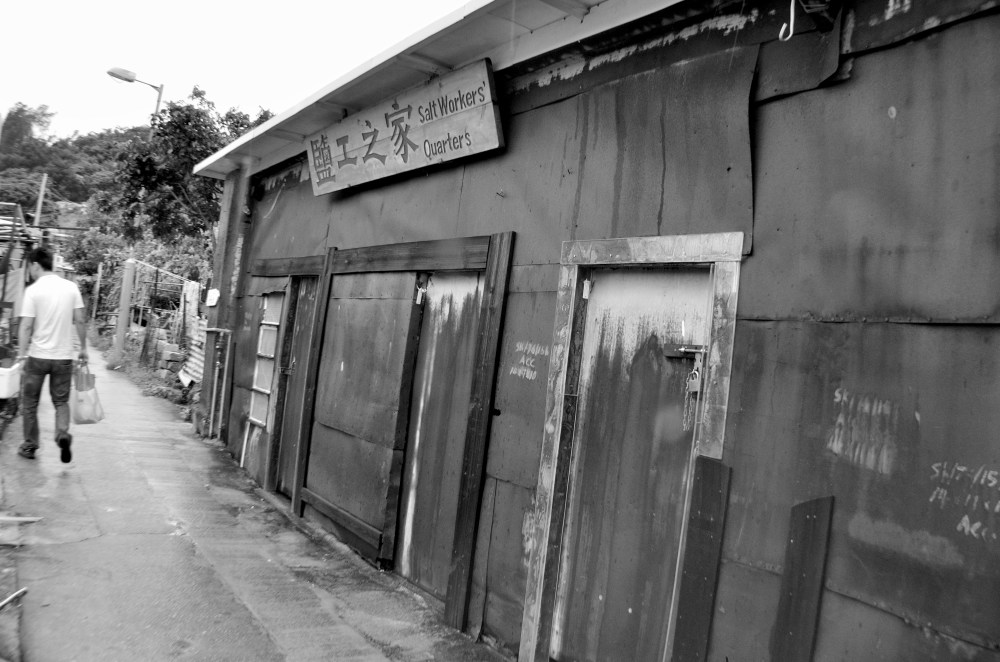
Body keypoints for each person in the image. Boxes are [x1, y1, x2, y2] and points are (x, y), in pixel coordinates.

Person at [16, 246, 88, 462]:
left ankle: (30, 445)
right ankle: (62, 434)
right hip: (63, 357)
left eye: (29, 267)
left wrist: (21, 356)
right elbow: (81, 320)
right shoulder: (71, 287)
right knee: (60, 402)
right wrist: (83, 348)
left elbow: (26, 326)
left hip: (37, 357)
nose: (29, 272)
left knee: (29, 402)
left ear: (36, 265)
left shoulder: (33, 291)